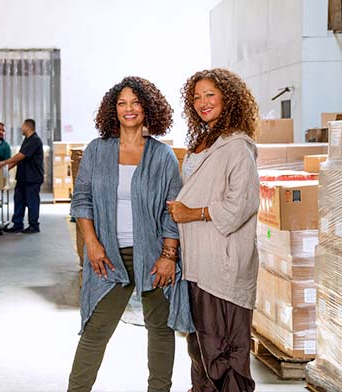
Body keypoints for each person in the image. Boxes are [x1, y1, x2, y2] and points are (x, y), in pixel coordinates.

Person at [67, 76, 194, 392]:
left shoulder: (162, 156)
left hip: (152, 255)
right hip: (108, 254)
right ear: (113, 109)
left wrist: (168, 256)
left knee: (160, 329)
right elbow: (82, 199)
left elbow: (171, 210)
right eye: (121, 103)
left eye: (135, 102)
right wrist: (92, 244)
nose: (129, 109)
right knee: (96, 329)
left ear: (147, 108)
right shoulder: (97, 151)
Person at [167, 68, 260, 392]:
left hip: (223, 264)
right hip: (198, 261)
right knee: (201, 349)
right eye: (196, 96)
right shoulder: (204, 141)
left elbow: (243, 204)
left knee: (225, 351)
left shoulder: (237, 146)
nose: (202, 102)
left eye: (210, 94)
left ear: (228, 97)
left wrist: (194, 213)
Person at [0, 119, 44, 234]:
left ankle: (34, 225)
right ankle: (17, 224)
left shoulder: (35, 140)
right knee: (19, 201)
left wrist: (4, 163)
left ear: (28, 127)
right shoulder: (27, 140)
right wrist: (5, 170)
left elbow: (21, 156)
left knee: (32, 202)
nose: (21, 128)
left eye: (22, 126)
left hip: (32, 178)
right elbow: (20, 159)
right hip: (23, 177)